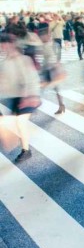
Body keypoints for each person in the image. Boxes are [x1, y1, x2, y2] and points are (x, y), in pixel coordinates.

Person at [0, 33, 41, 163]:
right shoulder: (4, 63)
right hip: (15, 98)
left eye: (4, 44)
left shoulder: (24, 59)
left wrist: (31, 96)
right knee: (13, 124)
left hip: (28, 96)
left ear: (11, 44)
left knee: (20, 122)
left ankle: (26, 150)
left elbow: (33, 79)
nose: (2, 47)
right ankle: (20, 141)